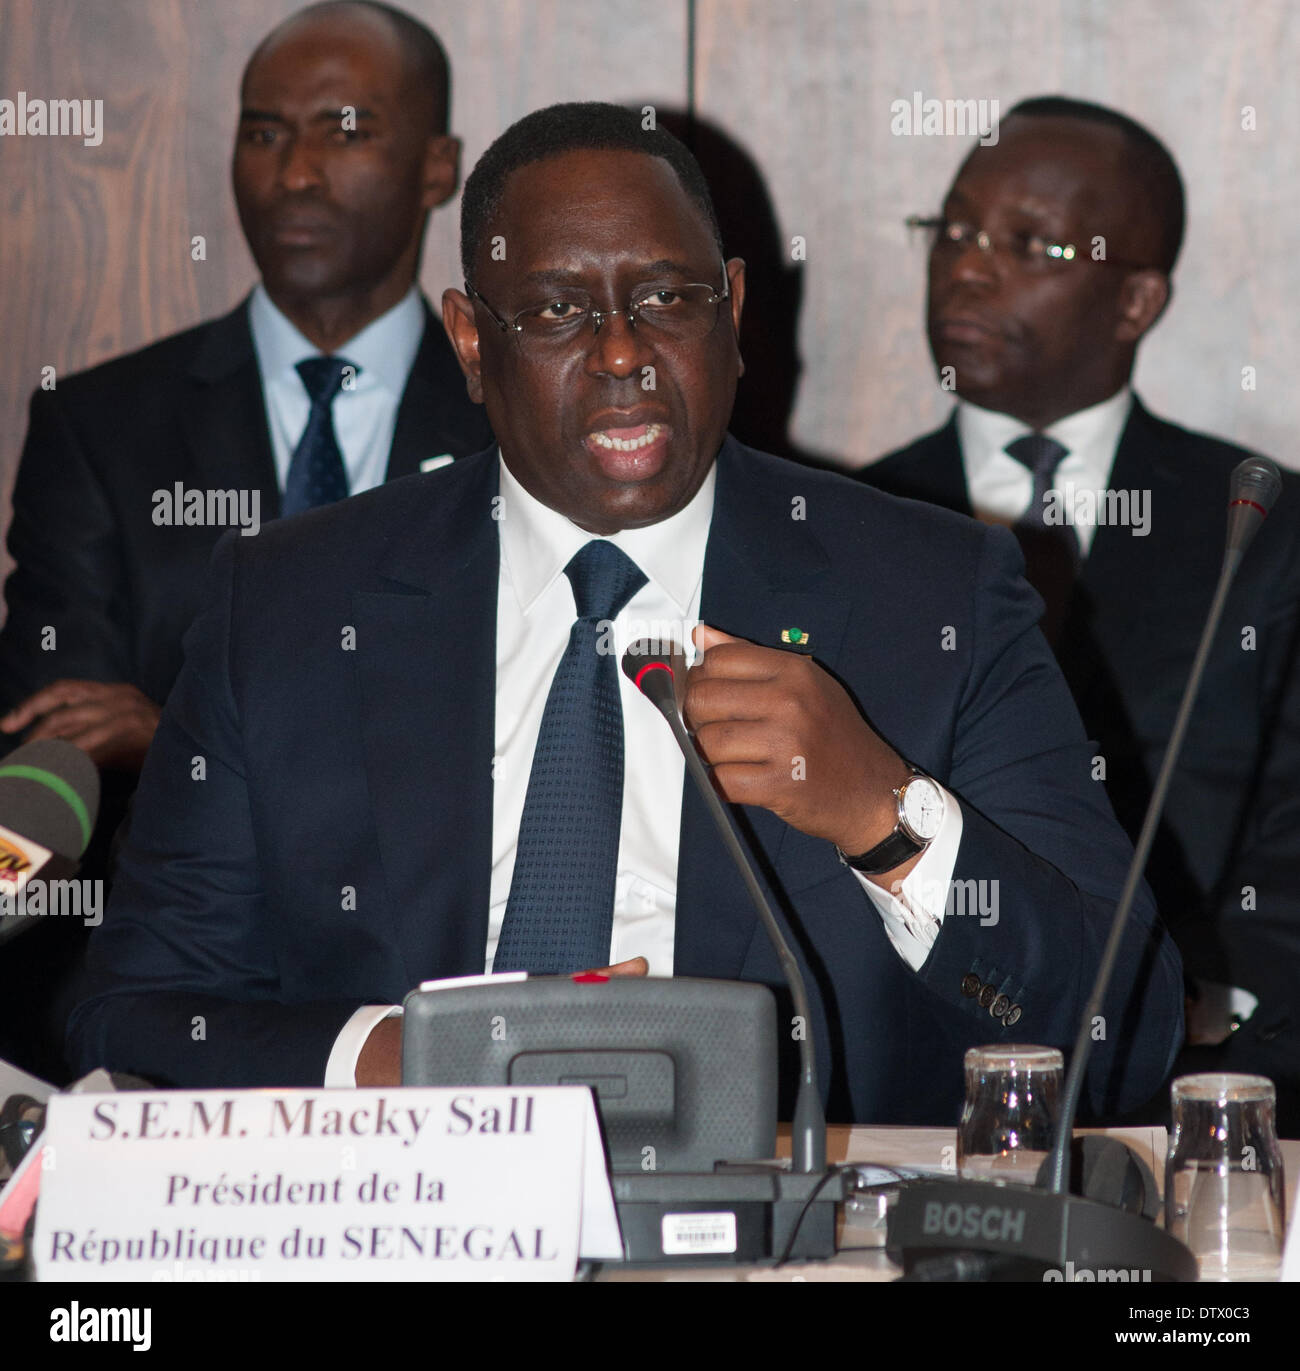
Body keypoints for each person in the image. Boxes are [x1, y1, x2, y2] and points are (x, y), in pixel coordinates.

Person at [68, 103, 1182, 1125]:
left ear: (734, 312)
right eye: (555, 310)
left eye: (666, 299)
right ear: (470, 339)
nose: (620, 355)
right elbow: (138, 1008)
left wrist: (886, 821)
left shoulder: (932, 597)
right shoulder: (290, 604)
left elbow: (1119, 1031)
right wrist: (397, 1059)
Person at [0, 1, 490, 1081]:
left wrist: (167, 721)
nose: (297, 173)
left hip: (452, 978)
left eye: (345, 129)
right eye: (265, 132)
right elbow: (58, 736)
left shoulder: (510, 423)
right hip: (169, 998)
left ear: (437, 165)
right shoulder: (102, 427)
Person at [866, 96, 1300, 1126]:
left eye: (1030, 243)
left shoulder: (1264, 527)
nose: (968, 266)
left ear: (1137, 299)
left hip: (1208, 1073)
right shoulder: (855, 522)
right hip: (908, 1065)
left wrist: (1193, 998)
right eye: (957, 229)